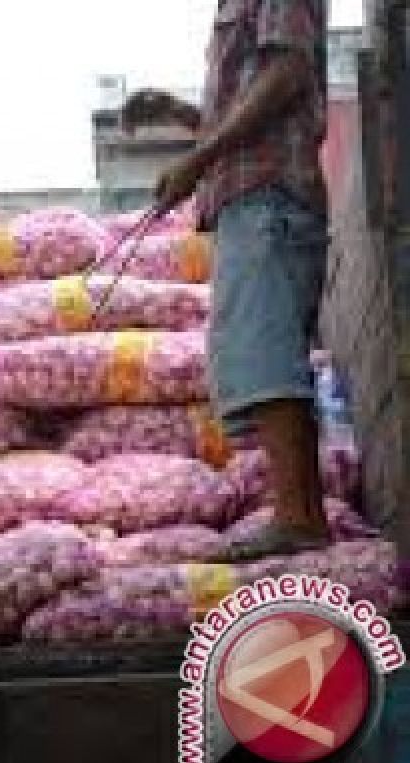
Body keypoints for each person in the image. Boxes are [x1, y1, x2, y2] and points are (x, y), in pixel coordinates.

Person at [121, 0, 330, 559]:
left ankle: (297, 518)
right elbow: (254, 111)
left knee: (264, 355)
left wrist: (198, 159)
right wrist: (180, 113)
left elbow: (289, 76)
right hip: (253, 197)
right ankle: (304, 516)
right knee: (267, 354)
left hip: (268, 197)